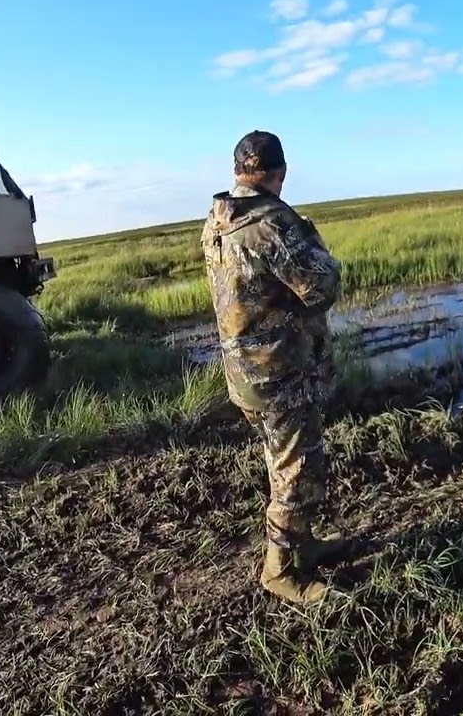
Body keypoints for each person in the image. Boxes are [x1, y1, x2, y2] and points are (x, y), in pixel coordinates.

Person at [200, 130, 346, 604]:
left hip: (244, 371)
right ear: (280, 173)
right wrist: (317, 243)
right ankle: (280, 571)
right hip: (280, 371)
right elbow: (320, 287)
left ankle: (300, 545)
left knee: (281, 461)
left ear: (239, 171)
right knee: (298, 470)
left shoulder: (217, 219)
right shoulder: (274, 224)